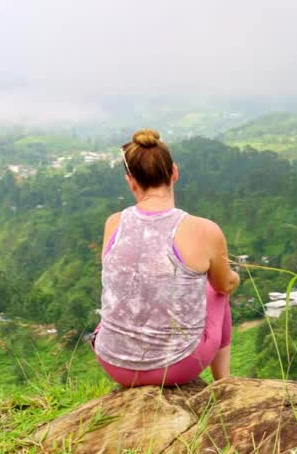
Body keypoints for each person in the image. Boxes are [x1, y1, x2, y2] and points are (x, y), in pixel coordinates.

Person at [93, 128, 240, 386]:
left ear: (131, 181)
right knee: (217, 292)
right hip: (176, 366)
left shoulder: (113, 223)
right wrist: (234, 277)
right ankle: (223, 385)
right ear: (174, 172)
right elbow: (223, 285)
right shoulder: (204, 229)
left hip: (112, 362)